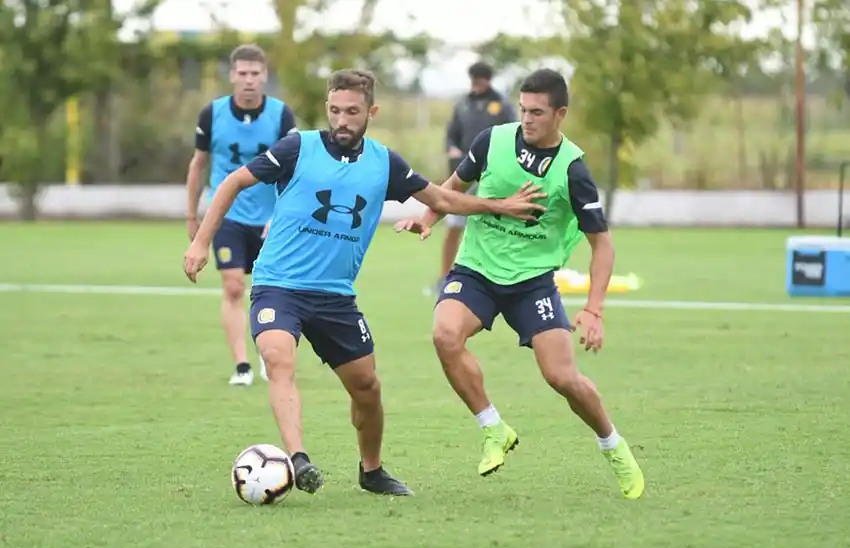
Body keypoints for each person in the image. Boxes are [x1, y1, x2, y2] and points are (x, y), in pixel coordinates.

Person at [183, 69, 546, 497]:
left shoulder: (384, 163)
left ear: (370, 111)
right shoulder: (298, 147)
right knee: (278, 359)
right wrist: (201, 241)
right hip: (278, 285)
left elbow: (442, 198)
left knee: (367, 389)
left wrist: (499, 206)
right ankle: (298, 460)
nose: (341, 120)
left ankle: (371, 471)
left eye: (352, 112)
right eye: (334, 110)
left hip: (335, 297)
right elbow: (232, 181)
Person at [398, 68, 645, 499]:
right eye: (524, 109)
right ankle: (493, 428)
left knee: (562, 378)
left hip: (532, 284)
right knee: (444, 334)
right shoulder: (491, 142)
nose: (527, 119)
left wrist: (594, 310)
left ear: (560, 114)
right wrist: (428, 218)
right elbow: (451, 188)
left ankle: (613, 445)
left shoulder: (573, 169)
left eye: (538, 112)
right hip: (476, 270)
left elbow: (602, 245)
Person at [185, 44, 298, 387]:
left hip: (269, 218)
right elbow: (198, 164)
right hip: (227, 216)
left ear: (265, 76)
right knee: (233, 287)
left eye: (255, 73)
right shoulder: (212, 114)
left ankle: (270, 355)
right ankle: (242, 366)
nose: (249, 80)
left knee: (274, 288)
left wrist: (283, 214)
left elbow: (293, 168)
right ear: (233, 75)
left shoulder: (281, 115)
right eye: (243, 73)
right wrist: (193, 215)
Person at [435, 61, 516, 294]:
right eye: (473, 81)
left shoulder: (502, 105)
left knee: (495, 228)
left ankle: (498, 276)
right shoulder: (463, 104)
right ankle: (444, 277)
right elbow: (451, 134)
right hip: (463, 175)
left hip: (493, 177)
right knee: (453, 226)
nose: (476, 86)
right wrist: (451, 148)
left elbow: (513, 136)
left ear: (488, 80)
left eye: (479, 81)